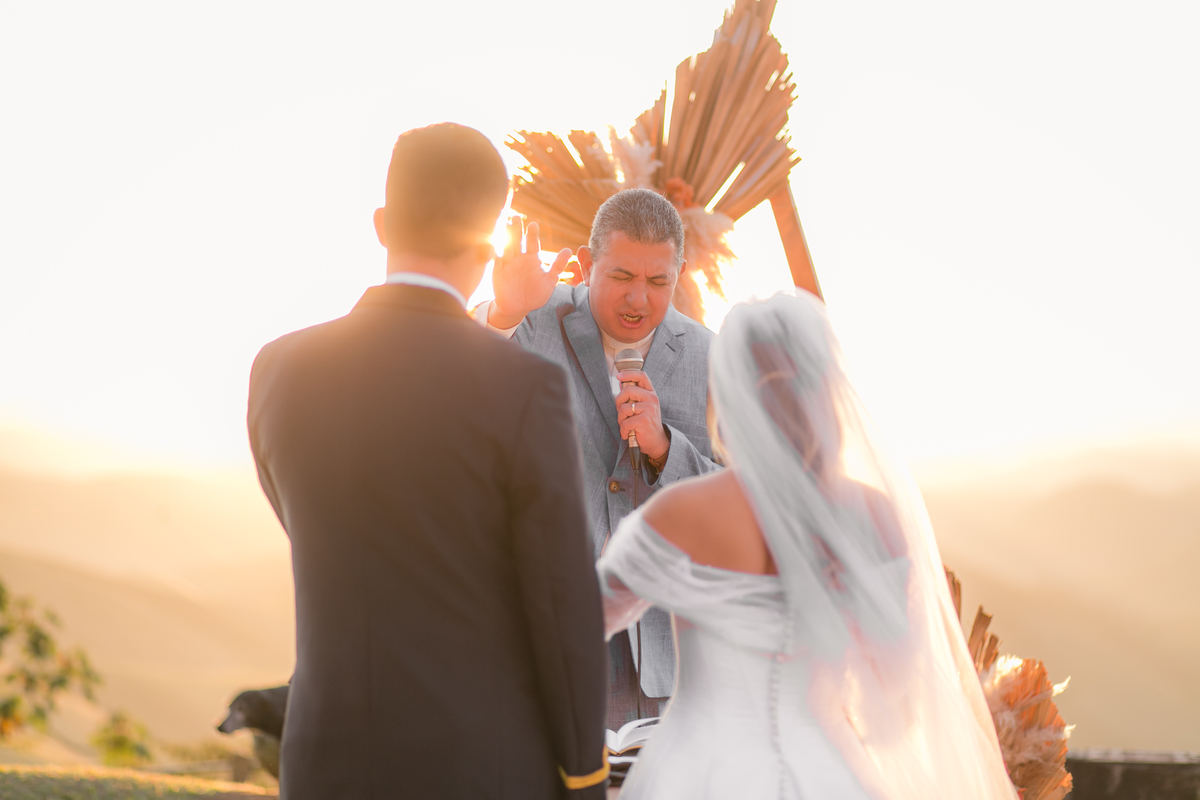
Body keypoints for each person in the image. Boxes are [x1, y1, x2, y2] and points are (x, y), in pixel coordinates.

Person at [247, 123, 609, 799]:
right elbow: (562, 605)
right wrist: (584, 777)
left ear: (382, 224)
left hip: (326, 763)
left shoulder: (277, 370)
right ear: (490, 240)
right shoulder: (525, 388)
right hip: (482, 768)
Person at [596, 290, 1020, 799]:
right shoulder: (875, 519)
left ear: (729, 395)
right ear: (828, 388)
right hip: (829, 775)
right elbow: (894, 714)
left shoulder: (682, 513)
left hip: (695, 774)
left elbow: (573, 627)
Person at [475, 188, 719, 728]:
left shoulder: (711, 354)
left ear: (679, 272)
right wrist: (503, 311)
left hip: (675, 672)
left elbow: (743, 498)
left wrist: (665, 451)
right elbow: (453, 379)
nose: (639, 300)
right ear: (587, 265)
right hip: (547, 658)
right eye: (622, 278)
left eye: (658, 282)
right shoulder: (534, 321)